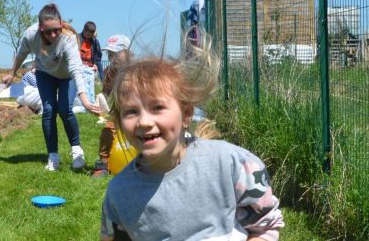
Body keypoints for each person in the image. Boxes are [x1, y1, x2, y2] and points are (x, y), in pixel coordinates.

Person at [100, 34, 284, 240]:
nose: (143, 121)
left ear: (186, 114)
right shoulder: (120, 194)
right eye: (131, 111)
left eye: (157, 107)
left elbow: (266, 225)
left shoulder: (231, 165)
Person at [2, 3, 100, 171]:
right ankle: (53, 156)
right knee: (48, 109)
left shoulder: (68, 38)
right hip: (44, 74)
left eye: (57, 29)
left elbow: (76, 70)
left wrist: (85, 100)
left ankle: (77, 151)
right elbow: (21, 55)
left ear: (61, 24)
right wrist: (12, 73)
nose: (53, 35)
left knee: (64, 108)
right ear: (40, 29)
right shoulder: (30, 36)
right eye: (48, 32)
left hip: (67, 76)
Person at [92, 34, 132, 178]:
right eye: (109, 54)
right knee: (107, 132)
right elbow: (104, 95)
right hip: (117, 113)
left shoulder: (136, 70)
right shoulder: (110, 72)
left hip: (136, 114)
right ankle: (103, 164)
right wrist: (98, 105)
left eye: (115, 54)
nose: (111, 57)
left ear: (126, 53)